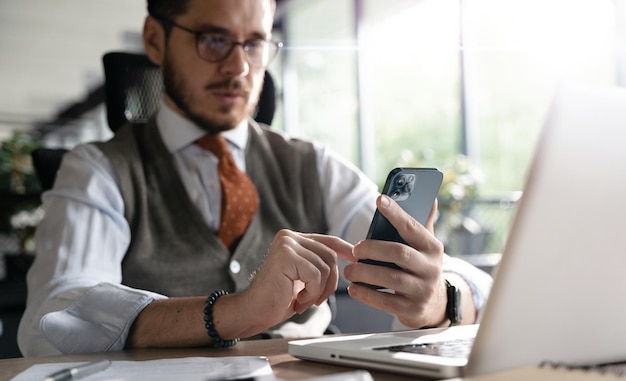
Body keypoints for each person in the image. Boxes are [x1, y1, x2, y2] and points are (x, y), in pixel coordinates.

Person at [18, 0, 492, 356]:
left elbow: (477, 287)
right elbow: (54, 316)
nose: (240, 68)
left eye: (256, 43)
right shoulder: (97, 168)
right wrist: (232, 313)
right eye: (214, 40)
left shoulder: (314, 164)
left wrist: (436, 301)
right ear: (156, 41)